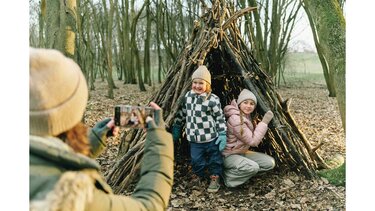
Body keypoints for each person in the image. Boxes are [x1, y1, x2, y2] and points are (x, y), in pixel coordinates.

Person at [29, 47, 174, 211]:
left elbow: (43, 159)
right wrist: (160, 142)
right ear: (72, 113)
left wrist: (94, 140)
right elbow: (150, 205)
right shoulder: (69, 195)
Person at [171, 65, 227, 193]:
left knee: (215, 159)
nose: (197, 86)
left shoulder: (213, 100)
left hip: (211, 138)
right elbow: (182, 113)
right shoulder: (188, 97)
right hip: (194, 140)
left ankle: (215, 177)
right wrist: (177, 127)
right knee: (196, 161)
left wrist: (222, 133)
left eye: (201, 83)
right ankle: (201, 175)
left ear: (207, 85)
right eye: (195, 82)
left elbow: (219, 118)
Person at [222, 88, 275, 187]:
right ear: (239, 103)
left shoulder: (247, 116)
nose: (248, 106)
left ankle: (242, 173)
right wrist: (264, 123)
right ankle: (228, 178)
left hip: (241, 153)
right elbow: (253, 141)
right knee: (253, 167)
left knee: (269, 163)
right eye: (245, 102)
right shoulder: (236, 119)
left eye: (252, 104)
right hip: (229, 156)